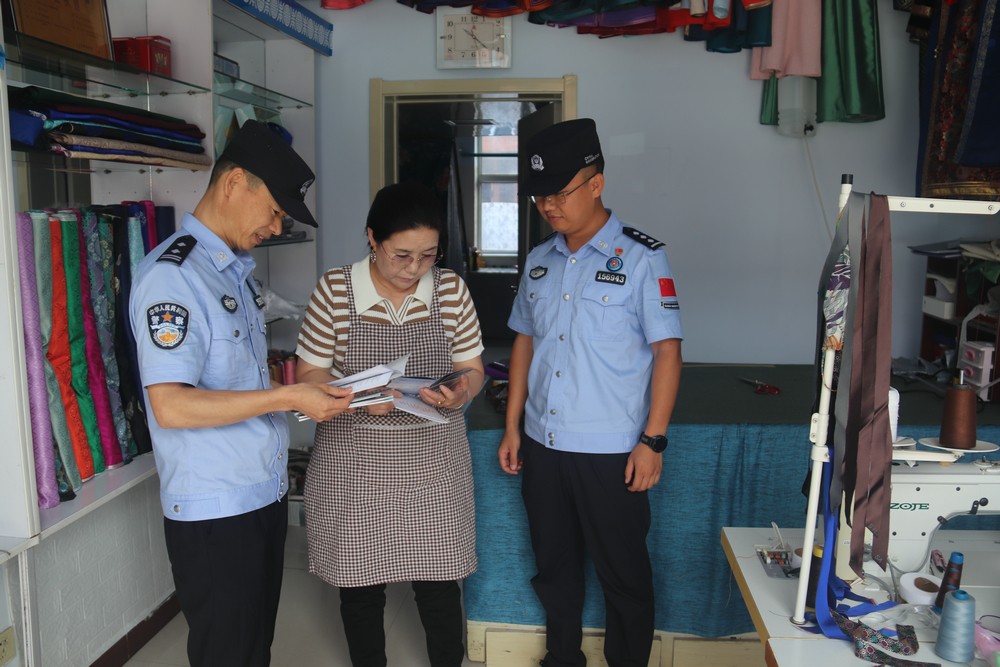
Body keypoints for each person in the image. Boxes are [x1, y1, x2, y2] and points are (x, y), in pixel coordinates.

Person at [129, 120, 354, 667]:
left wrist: (313, 389)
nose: (276, 227)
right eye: (274, 211)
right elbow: (171, 405)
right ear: (233, 183)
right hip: (215, 510)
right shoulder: (173, 277)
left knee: (253, 651)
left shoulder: (232, 273)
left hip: (259, 494)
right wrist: (288, 399)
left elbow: (240, 382)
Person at [497, 118, 683, 667]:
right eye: (540, 196)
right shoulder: (539, 261)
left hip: (610, 453)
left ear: (596, 183)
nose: (548, 206)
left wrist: (653, 440)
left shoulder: (643, 259)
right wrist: (512, 426)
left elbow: (668, 353)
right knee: (554, 569)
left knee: (623, 576)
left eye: (559, 193)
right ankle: (562, 659)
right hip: (544, 445)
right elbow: (524, 342)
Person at [295, 182, 486, 667]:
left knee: (439, 582)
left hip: (433, 464)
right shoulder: (335, 289)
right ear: (372, 238)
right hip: (355, 464)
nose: (414, 268)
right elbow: (310, 375)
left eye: (427, 256)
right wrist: (363, 399)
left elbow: (472, 368)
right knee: (360, 586)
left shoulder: (450, 289)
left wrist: (462, 391)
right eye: (401, 255)